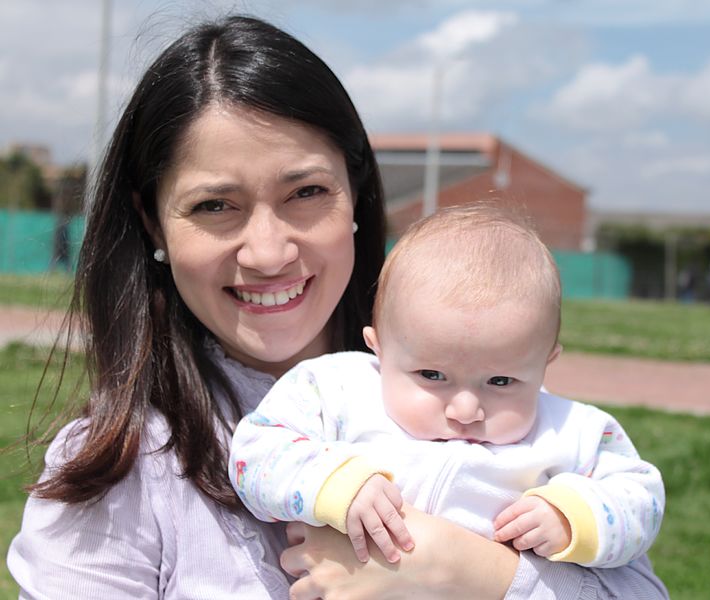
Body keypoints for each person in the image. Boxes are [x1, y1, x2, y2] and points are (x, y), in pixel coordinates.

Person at [6, 15, 669, 600]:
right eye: (214, 205)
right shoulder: (121, 468)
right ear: (154, 224)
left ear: (356, 196)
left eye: (306, 192)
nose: (268, 251)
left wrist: (471, 574)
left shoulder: (504, 412)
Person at [229, 203, 664, 568]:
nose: (465, 409)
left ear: (546, 364)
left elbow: (640, 498)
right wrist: (334, 483)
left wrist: (574, 518)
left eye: (501, 380)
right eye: (432, 376)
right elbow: (257, 451)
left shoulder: (572, 430)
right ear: (378, 348)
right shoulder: (339, 389)